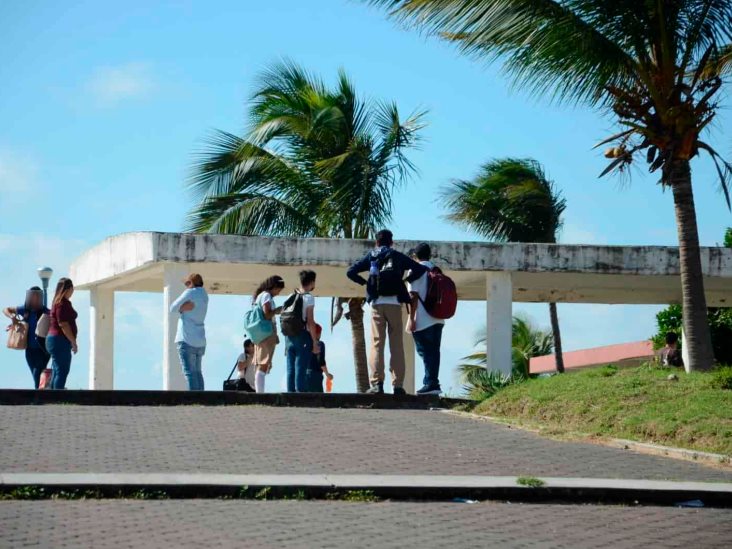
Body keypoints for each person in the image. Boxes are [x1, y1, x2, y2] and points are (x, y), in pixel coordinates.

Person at [347, 229, 427, 395]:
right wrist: (406, 280)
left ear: (377, 242)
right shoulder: (397, 255)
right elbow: (419, 269)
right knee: (396, 345)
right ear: (391, 242)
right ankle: (398, 386)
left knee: (377, 344)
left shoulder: (372, 256)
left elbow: (351, 272)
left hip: (377, 304)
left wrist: (365, 283)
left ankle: (377, 384)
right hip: (395, 305)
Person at [407, 243, 445, 395]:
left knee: (425, 352)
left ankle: (430, 383)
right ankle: (433, 382)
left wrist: (411, 319)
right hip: (438, 318)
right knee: (434, 352)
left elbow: (413, 296)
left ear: (415, 256)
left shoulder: (415, 270)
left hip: (423, 319)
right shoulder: (436, 270)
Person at [3, 287, 50, 388]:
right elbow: (5, 310)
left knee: (37, 371)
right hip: (29, 349)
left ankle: (38, 395)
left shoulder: (46, 311)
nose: (35, 298)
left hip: (43, 349)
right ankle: (40, 392)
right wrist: (12, 317)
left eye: (38, 296)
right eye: (33, 296)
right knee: (35, 372)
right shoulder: (24, 310)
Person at [170, 273, 209, 391]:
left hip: (187, 338)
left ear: (191, 283)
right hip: (200, 339)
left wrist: (182, 308)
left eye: (187, 283)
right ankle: (202, 400)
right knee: (197, 372)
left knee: (189, 373)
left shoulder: (190, 293)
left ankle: (195, 401)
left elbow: (172, 308)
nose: (186, 286)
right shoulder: (204, 295)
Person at [283, 270, 319, 392]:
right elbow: (310, 321)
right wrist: (314, 342)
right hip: (302, 334)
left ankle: (290, 394)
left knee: (290, 368)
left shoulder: (290, 296)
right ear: (312, 282)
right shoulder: (309, 298)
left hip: (288, 336)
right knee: (300, 366)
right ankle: (301, 394)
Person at [252, 275, 285, 393]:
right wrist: (278, 310)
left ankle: (259, 391)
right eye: (278, 290)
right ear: (274, 287)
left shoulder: (261, 296)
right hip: (266, 333)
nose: (278, 293)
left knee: (262, 364)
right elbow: (267, 314)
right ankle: (260, 393)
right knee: (263, 364)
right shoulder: (266, 296)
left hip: (261, 334)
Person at [46, 278, 78, 390]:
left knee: (57, 369)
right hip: (59, 340)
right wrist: (73, 342)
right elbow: (63, 324)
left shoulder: (58, 303)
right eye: (72, 289)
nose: (72, 291)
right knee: (62, 370)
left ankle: (53, 394)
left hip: (56, 340)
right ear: (68, 289)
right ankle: (58, 395)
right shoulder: (61, 304)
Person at [306, 323, 333, 392]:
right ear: (317, 333)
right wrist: (327, 374)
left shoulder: (305, 344)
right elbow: (321, 361)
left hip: (304, 375)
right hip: (315, 375)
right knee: (318, 400)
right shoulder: (320, 344)